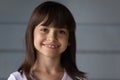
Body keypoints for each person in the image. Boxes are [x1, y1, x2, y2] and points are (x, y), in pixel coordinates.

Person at [8, 1, 86, 80]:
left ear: (69, 39)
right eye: (44, 30)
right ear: (31, 34)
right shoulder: (16, 78)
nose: (52, 38)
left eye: (61, 32)